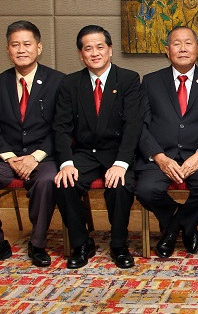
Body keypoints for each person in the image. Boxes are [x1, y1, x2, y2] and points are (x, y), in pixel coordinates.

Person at [0, 21, 64, 269]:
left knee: (46, 181)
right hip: (4, 157)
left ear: (39, 48)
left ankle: (38, 243)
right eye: (15, 45)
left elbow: (62, 128)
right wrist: (11, 158)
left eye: (27, 44)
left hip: (44, 155)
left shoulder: (58, 82)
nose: (21, 49)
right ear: (8, 50)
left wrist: (36, 157)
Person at [53, 25, 143, 269]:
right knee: (64, 183)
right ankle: (81, 243)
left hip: (117, 152)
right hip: (85, 153)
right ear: (81, 54)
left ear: (110, 50)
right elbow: (61, 127)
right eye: (88, 48)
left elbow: (133, 126)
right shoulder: (70, 83)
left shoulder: (128, 79)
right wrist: (66, 163)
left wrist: (121, 164)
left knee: (121, 186)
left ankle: (118, 245)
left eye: (100, 47)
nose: (94, 53)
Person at [135, 27, 198, 258]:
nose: (183, 48)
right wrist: (159, 156)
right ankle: (186, 223)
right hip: (161, 154)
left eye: (188, 43)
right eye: (177, 44)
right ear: (167, 51)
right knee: (146, 190)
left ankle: (173, 228)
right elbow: (141, 126)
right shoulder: (150, 81)